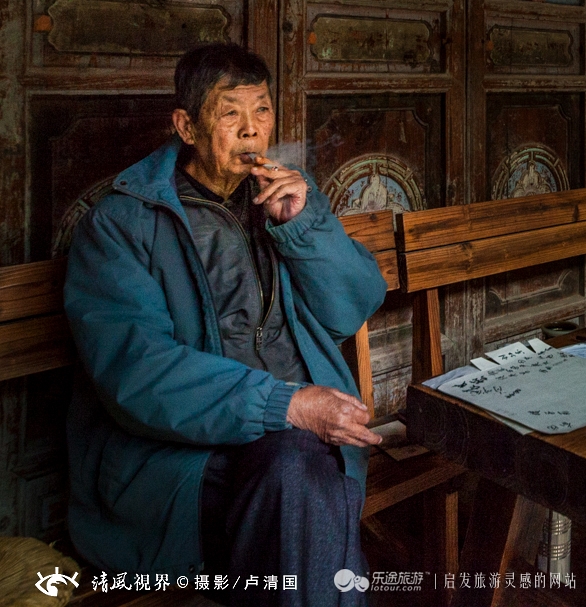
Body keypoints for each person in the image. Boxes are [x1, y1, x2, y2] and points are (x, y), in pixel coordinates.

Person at [63, 43, 386, 606]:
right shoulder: (122, 223)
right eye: (230, 112)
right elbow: (138, 374)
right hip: (184, 460)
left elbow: (354, 303)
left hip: (295, 444)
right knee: (304, 480)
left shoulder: (283, 197)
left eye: (261, 111)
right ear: (186, 125)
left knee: (302, 474)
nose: (251, 131)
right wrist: (287, 405)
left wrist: (303, 228)